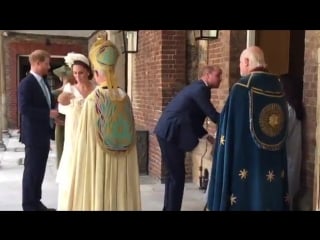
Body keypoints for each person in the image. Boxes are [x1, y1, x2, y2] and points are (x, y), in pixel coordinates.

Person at [60, 37, 141, 210]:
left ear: (96, 73)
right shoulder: (124, 97)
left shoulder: (93, 100)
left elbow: (84, 143)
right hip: (122, 163)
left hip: (98, 166)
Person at [206, 46, 289, 211]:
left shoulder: (242, 88)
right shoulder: (278, 87)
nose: (240, 67)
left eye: (240, 63)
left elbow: (227, 124)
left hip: (244, 158)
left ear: (247, 62)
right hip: (272, 159)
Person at [154, 65, 222, 211]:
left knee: (173, 176)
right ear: (207, 75)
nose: (221, 79)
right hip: (170, 133)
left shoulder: (201, 89)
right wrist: (231, 121)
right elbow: (213, 115)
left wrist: (206, 136)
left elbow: (194, 119)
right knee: (177, 176)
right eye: (218, 75)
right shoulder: (200, 89)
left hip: (170, 133)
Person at [18, 49, 59, 211]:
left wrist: (55, 116)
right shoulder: (27, 83)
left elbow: (46, 102)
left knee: (39, 171)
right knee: (32, 172)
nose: (49, 67)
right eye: (47, 63)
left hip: (42, 135)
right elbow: (24, 109)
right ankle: (28, 205)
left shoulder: (42, 82)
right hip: (33, 136)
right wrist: (48, 113)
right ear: (37, 63)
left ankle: (36, 202)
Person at [56, 52, 95, 210]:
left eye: (81, 72)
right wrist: (67, 101)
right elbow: (62, 109)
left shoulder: (97, 89)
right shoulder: (69, 88)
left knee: (91, 164)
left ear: (88, 72)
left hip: (92, 132)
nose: (78, 76)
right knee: (74, 164)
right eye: (75, 73)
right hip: (74, 132)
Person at [279, 73, 303, 210]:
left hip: (288, 157)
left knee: (286, 198)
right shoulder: (293, 107)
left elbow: (282, 134)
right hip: (292, 156)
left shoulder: (288, 108)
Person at [52, 65, 75, 168]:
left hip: (74, 126)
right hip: (62, 126)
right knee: (62, 152)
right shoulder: (55, 93)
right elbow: (53, 112)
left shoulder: (76, 91)